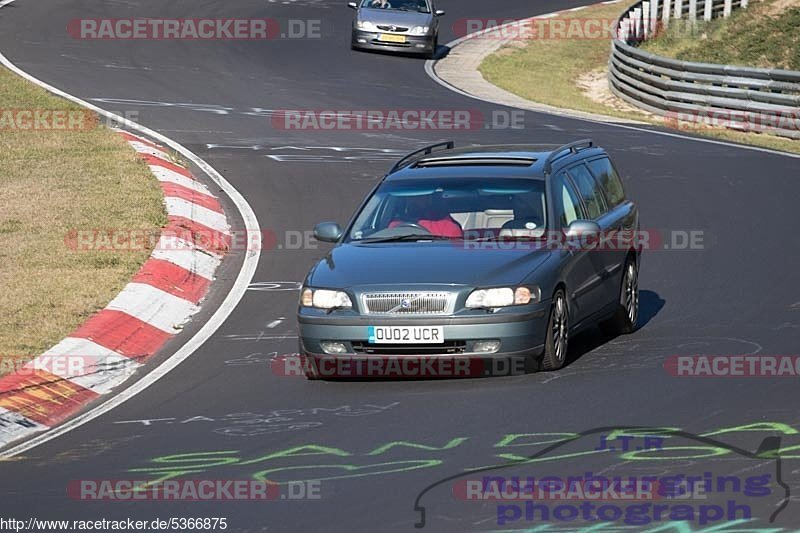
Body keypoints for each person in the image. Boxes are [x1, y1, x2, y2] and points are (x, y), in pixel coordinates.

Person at [389, 193, 463, 238]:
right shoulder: (395, 225)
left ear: (429, 199)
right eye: (410, 197)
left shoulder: (447, 227)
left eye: (419, 197)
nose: (413, 201)